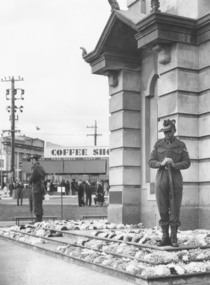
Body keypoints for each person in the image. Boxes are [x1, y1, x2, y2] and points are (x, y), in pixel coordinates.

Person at [148, 119, 191, 247]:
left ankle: (174, 238)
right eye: (165, 132)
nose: (167, 134)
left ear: (174, 130)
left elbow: (187, 162)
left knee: (175, 207)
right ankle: (165, 237)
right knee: (162, 207)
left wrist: (175, 164)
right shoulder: (158, 144)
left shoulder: (181, 145)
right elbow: (150, 161)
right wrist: (160, 163)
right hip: (161, 178)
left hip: (175, 178)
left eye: (169, 131)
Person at [29, 154, 46, 223]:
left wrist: (29, 179)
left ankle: (38, 219)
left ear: (34, 160)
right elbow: (44, 175)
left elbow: (32, 177)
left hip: (36, 187)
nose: (31, 161)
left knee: (36, 203)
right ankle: (40, 218)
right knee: (39, 203)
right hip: (41, 187)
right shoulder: (41, 167)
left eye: (32, 160)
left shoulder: (35, 167)